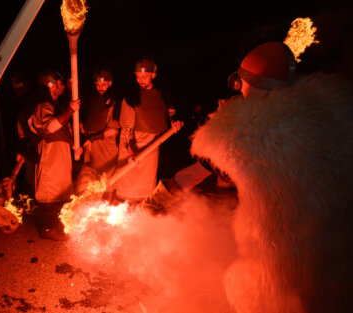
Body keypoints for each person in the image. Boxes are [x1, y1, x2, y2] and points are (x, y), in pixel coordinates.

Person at [145, 41, 353, 312]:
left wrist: (152, 203)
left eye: (241, 85)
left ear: (246, 85)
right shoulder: (333, 114)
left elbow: (193, 174)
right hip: (340, 262)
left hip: (280, 269)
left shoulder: (242, 135)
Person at [114, 55, 183, 206]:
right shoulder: (131, 97)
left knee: (145, 187)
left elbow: (169, 112)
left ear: (153, 75)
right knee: (128, 186)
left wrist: (173, 123)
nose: (140, 80)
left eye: (144, 76)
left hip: (153, 144)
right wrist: (131, 153)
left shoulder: (162, 94)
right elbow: (126, 128)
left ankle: (143, 215)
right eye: (138, 77)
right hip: (131, 144)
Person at [26, 70, 81, 241]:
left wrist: (74, 145)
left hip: (61, 155)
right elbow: (50, 127)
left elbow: (63, 130)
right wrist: (71, 110)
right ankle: (47, 229)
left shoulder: (53, 105)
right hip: (50, 155)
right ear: (52, 85)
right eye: (60, 83)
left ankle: (56, 225)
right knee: (50, 192)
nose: (63, 86)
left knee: (61, 191)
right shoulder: (42, 105)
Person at [77, 68, 121, 194]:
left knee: (108, 179)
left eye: (103, 84)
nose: (100, 87)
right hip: (91, 145)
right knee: (92, 179)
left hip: (107, 146)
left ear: (110, 83)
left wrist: (93, 138)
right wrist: (84, 131)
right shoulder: (92, 99)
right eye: (97, 85)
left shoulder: (114, 101)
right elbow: (86, 121)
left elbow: (114, 130)